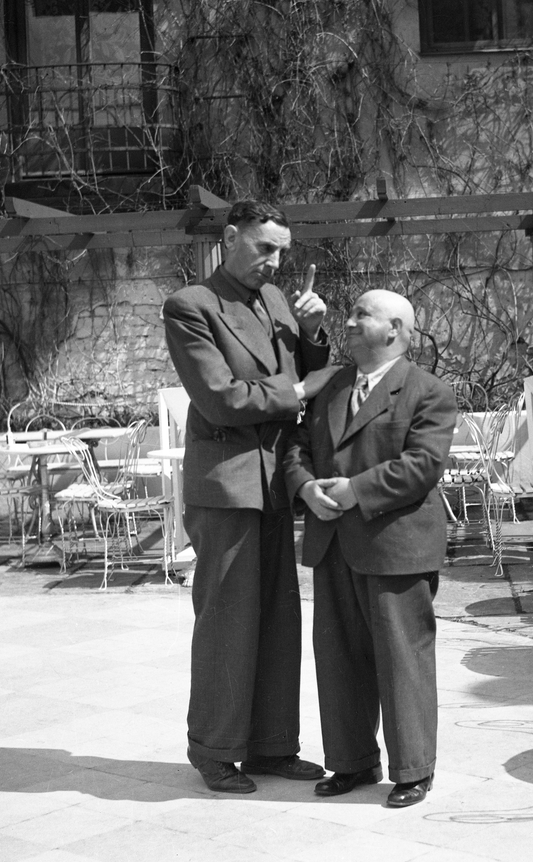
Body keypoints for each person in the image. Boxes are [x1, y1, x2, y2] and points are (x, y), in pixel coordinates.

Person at [163, 199, 340, 794]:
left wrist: (312, 334)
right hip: (228, 482)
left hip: (273, 480)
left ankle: (271, 746)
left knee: (277, 617)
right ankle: (214, 751)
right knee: (227, 620)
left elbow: (301, 371)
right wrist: (300, 390)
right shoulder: (191, 305)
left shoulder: (276, 301)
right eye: (265, 248)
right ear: (231, 236)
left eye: (282, 252)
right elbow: (220, 399)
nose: (275, 262)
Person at [284, 289, 457, 808]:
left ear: (395, 330)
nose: (350, 322)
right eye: (352, 313)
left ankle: (413, 770)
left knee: (402, 660)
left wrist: (355, 490)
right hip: (333, 541)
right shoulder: (332, 386)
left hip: (395, 546)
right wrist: (304, 487)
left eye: (363, 315)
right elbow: (296, 447)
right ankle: (352, 761)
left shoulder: (428, 391)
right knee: (338, 659)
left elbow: (423, 465)